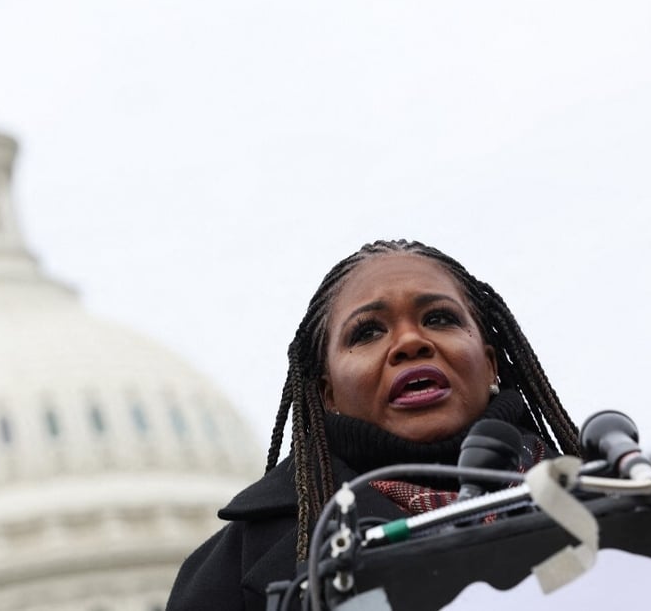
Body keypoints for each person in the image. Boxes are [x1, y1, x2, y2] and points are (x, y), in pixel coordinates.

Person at [166, 239, 580, 611]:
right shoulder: (231, 569)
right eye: (367, 332)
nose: (409, 342)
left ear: (490, 363)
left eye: (439, 318)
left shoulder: (611, 490)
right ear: (328, 394)